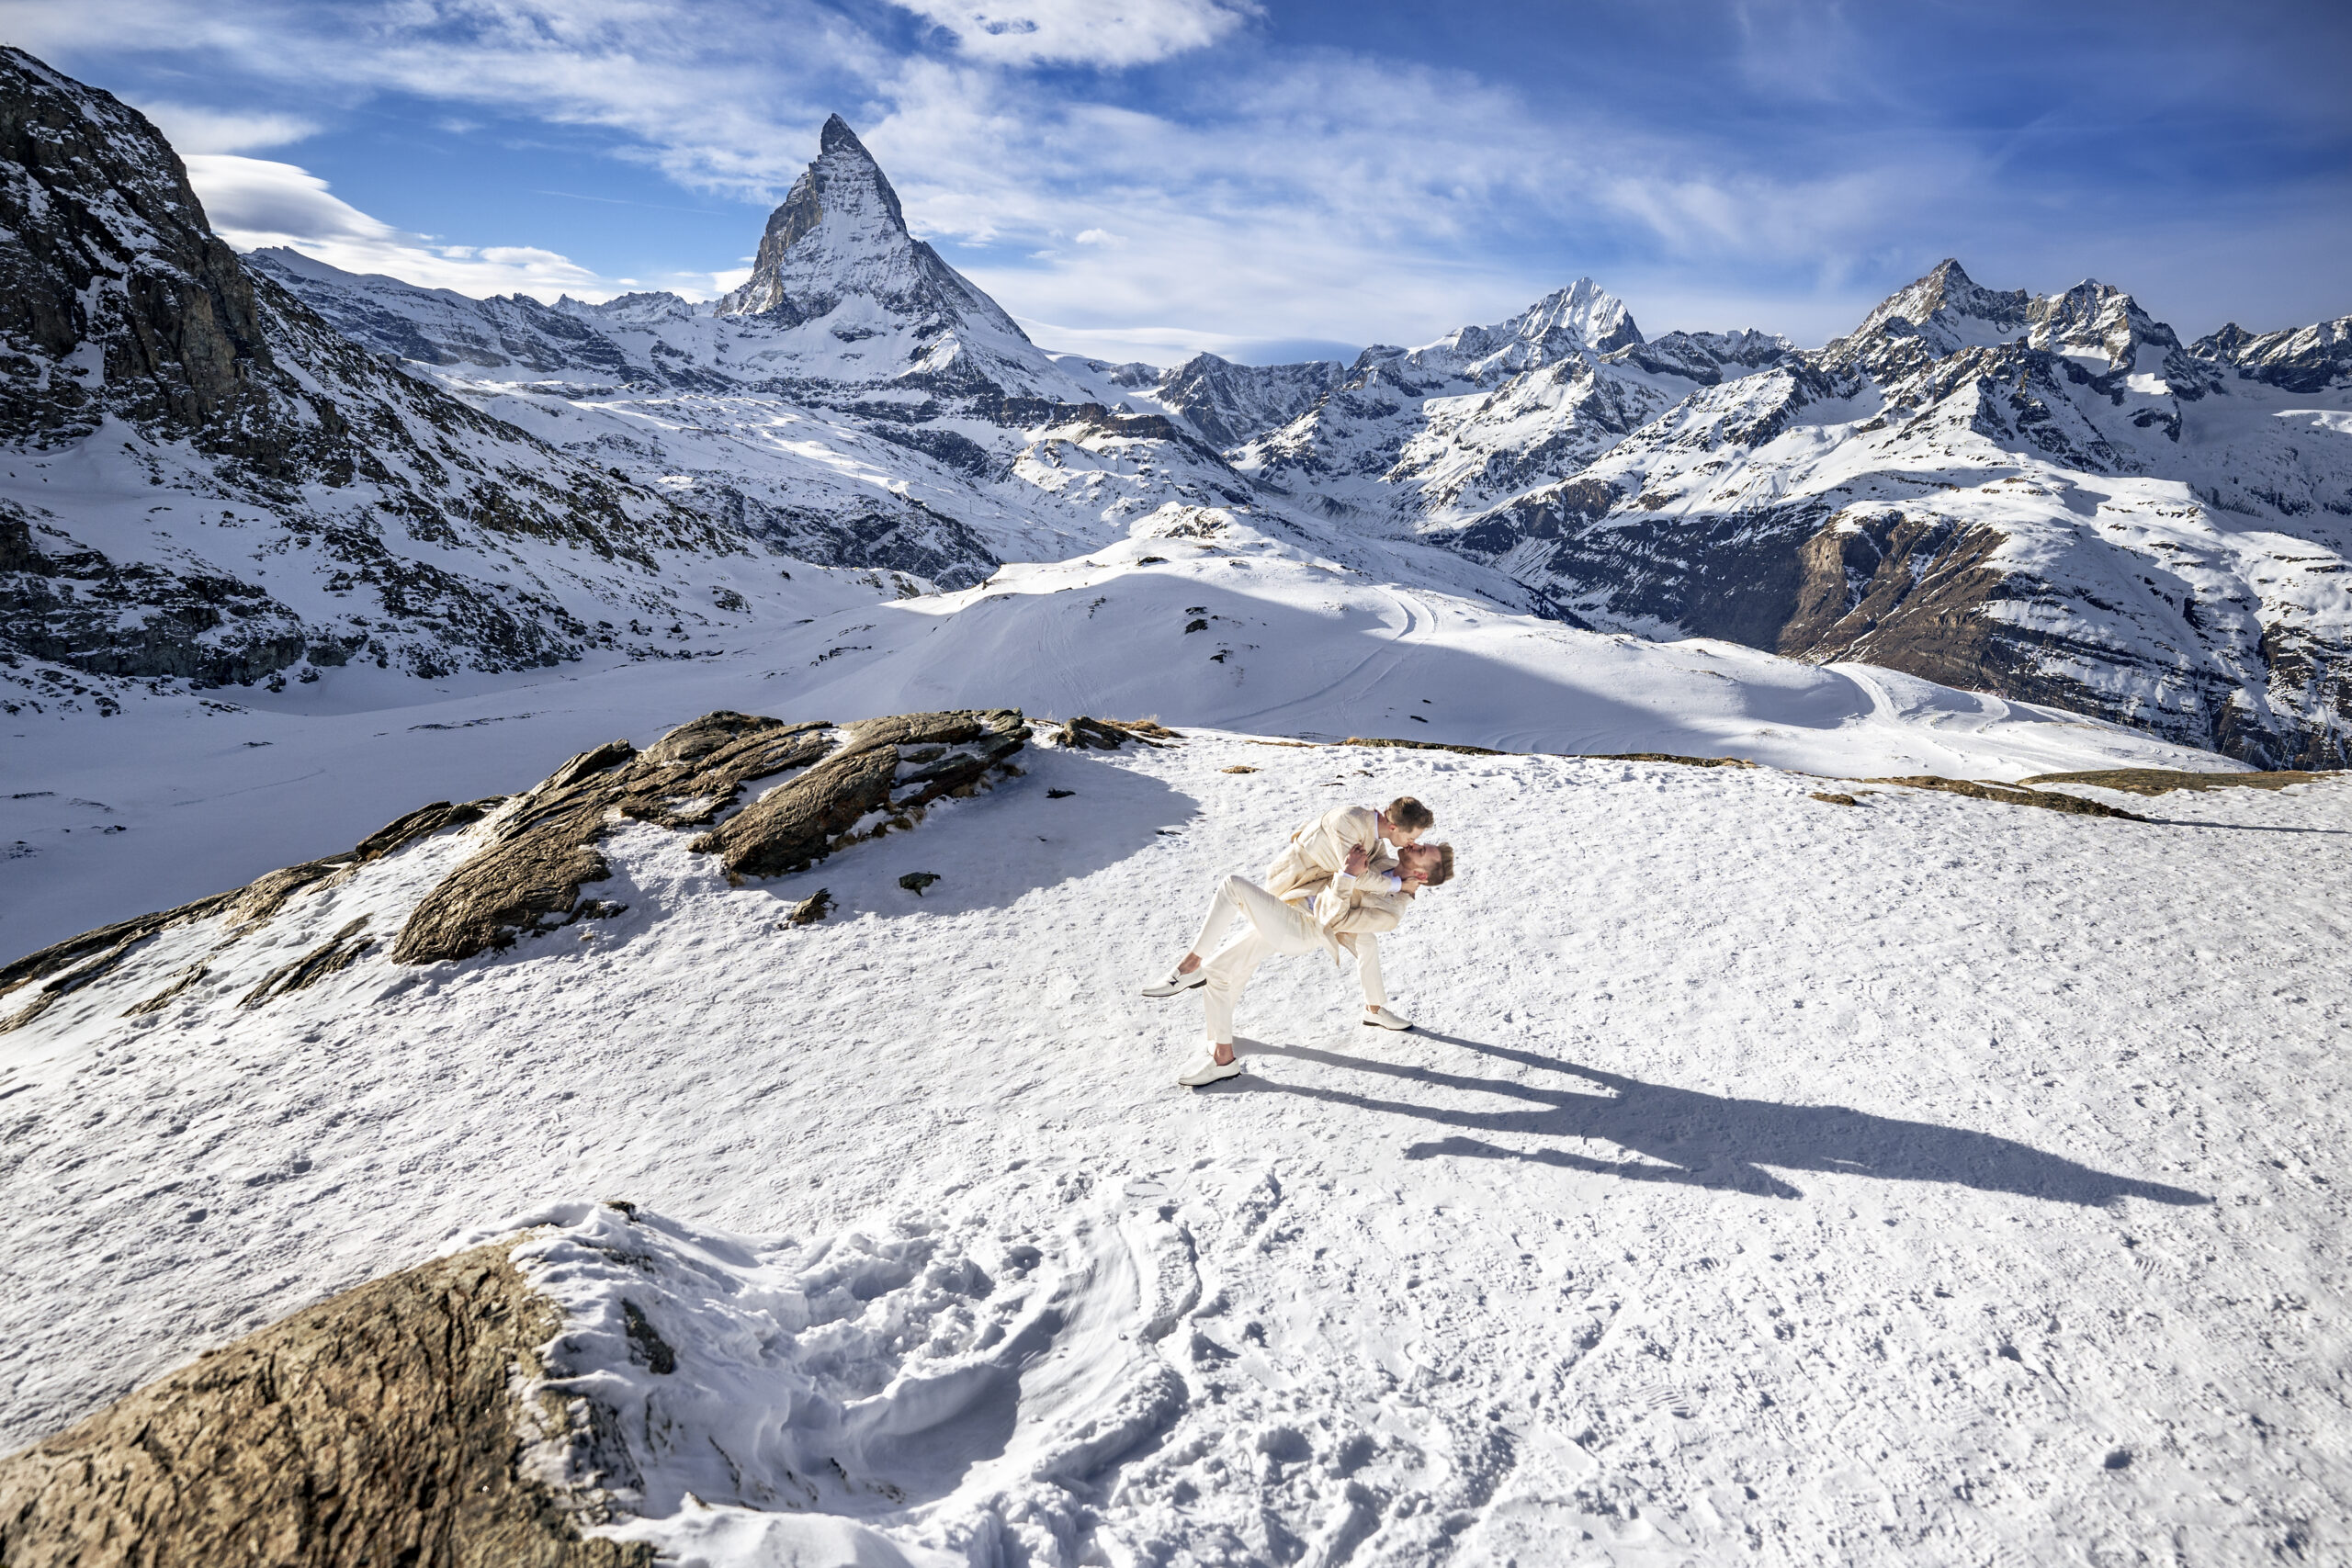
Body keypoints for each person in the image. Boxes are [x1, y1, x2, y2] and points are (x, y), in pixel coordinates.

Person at [1167, 839, 1454, 1087]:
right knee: (1228, 967)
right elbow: (1371, 834)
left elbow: (1336, 920)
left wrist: (1348, 874)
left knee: (1217, 965)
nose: (1414, 844)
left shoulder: (1390, 912)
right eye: (1420, 842)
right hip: (1293, 903)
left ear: (1422, 875)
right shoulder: (1388, 863)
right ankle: (1374, 1008)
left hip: (1301, 926)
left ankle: (1222, 1057)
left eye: (1420, 850)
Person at [1143, 795, 1435, 1022]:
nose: (1413, 843)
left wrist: (1405, 878)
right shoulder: (1349, 822)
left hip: (1317, 894)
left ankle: (1374, 1009)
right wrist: (1398, 887)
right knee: (1249, 950)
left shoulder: (1375, 834)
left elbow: (1376, 867)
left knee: (1366, 941)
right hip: (1293, 884)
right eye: (1412, 838)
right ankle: (1193, 969)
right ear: (1394, 826)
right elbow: (1357, 874)